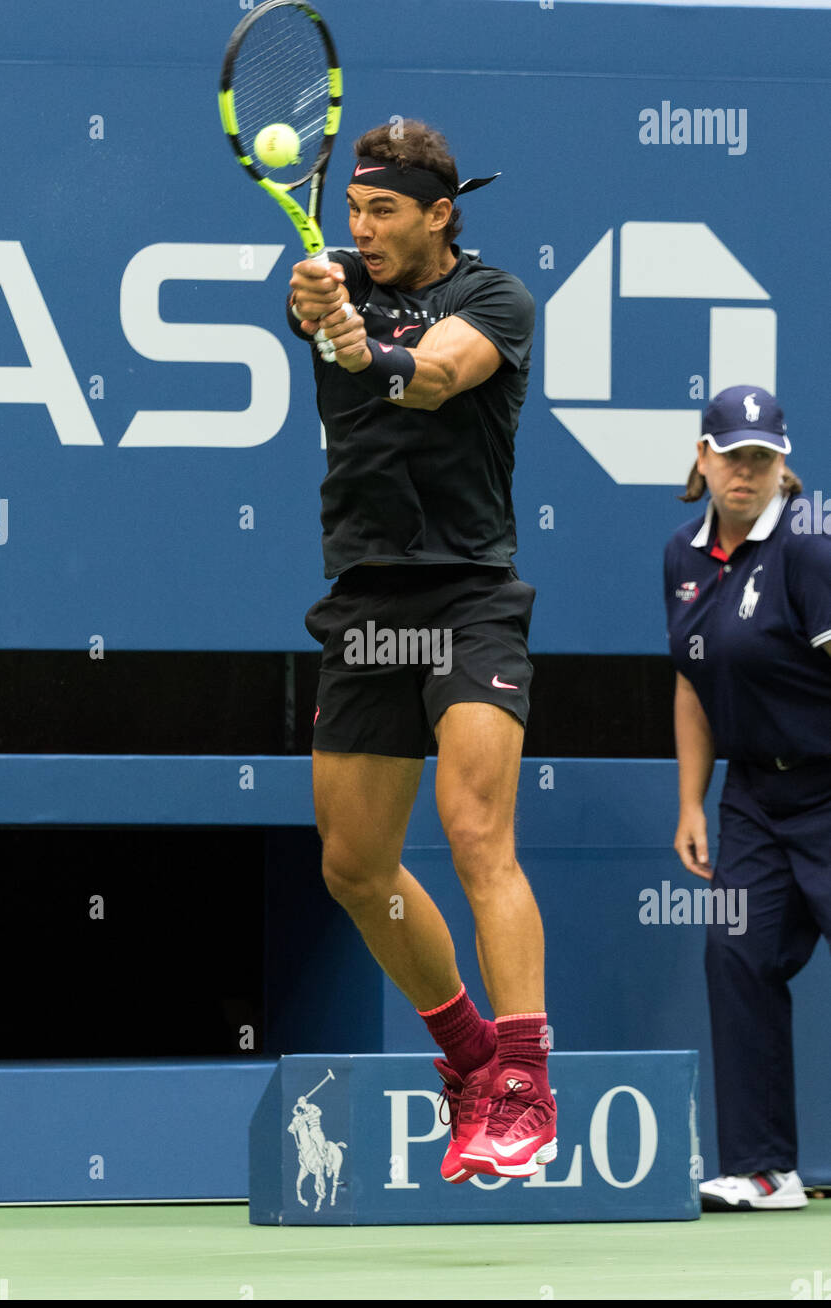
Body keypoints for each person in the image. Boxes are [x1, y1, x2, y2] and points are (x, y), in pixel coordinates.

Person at [285, 119, 555, 1182]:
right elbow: (324, 310)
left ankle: (526, 1083)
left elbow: (437, 378)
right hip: (363, 600)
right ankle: (470, 1058)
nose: (363, 228)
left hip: (469, 596)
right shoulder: (329, 277)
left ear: (441, 213)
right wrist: (325, 310)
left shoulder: (496, 300)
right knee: (353, 866)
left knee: (473, 826)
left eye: (384, 210)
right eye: (353, 209)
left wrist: (364, 347)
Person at [664, 385, 831, 1211]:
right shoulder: (683, 558)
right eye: (732, 454)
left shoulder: (811, 549)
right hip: (754, 798)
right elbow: (696, 684)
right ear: (703, 456)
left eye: (763, 457)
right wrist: (692, 802)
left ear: (782, 463)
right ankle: (765, 1170)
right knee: (737, 955)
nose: (747, 471)